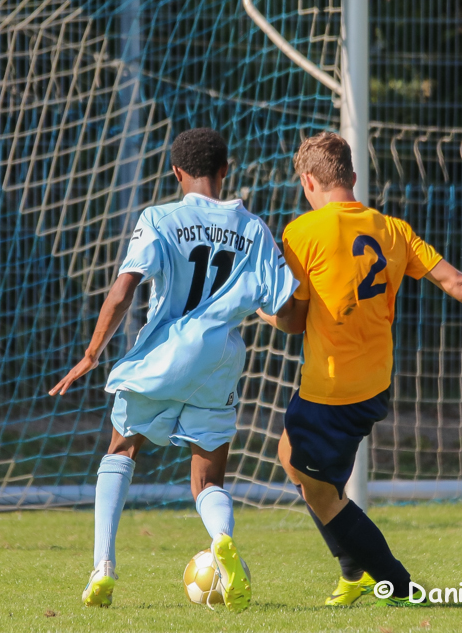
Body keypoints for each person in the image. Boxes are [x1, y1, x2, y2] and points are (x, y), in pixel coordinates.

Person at [258, 132, 462, 606]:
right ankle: (353, 570)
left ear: (307, 182)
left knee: (320, 492)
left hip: (332, 390)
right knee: (290, 455)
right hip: (375, 384)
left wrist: (263, 311)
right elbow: (458, 284)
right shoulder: (393, 230)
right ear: (353, 177)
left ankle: (396, 585)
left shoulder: (302, 233)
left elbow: (292, 321)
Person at [49, 128, 298, 612]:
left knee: (122, 448)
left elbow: (123, 290)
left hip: (164, 356)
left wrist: (92, 353)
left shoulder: (160, 218)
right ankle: (221, 538)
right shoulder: (254, 229)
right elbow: (286, 310)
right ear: (225, 170)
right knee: (208, 480)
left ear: (176, 172)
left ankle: (103, 567)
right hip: (219, 362)